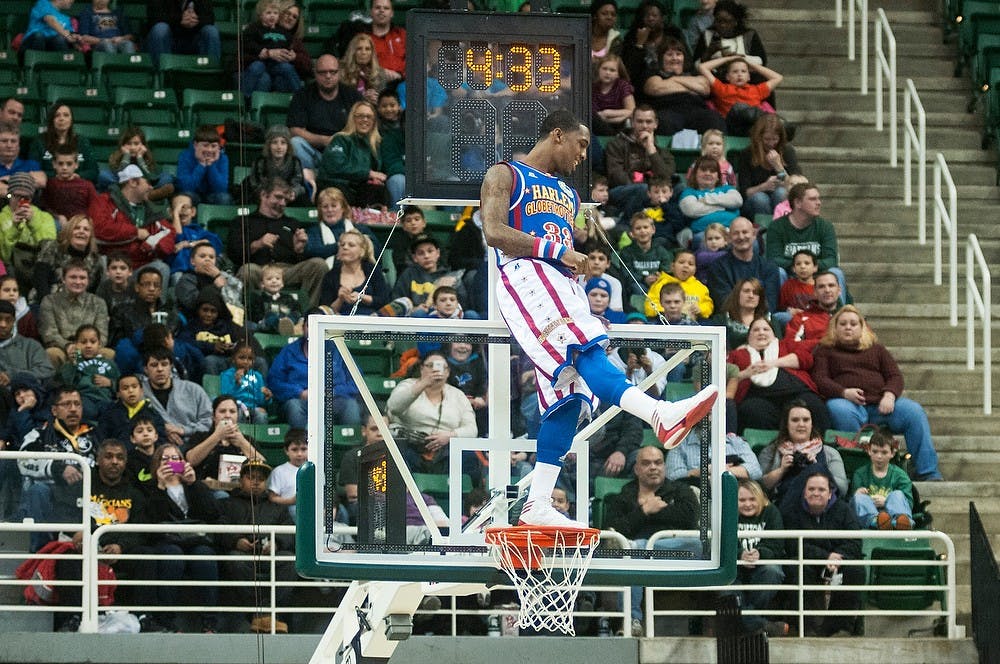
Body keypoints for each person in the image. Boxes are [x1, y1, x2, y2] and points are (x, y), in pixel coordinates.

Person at [479, 109, 717, 528]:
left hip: (561, 284)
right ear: (557, 135)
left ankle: (537, 506)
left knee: (567, 397)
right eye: (582, 144)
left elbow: (560, 248)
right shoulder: (505, 174)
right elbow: (495, 233)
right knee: (584, 352)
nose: (583, 154)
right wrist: (558, 253)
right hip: (525, 276)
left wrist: (574, 264)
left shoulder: (568, 195)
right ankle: (658, 414)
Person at [812, 305, 943, 481]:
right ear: (835, 328)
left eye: (853, 323)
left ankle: (928, 471)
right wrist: (843, 392)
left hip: (881, 405)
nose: (848, 327)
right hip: (849, 404)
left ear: (862, 327)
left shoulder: (876, 349)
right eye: (842, 324)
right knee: (837, 408)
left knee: (914, 411)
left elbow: (895, 376)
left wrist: (889, 395)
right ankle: (861, 470)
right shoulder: (825, 350)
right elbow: (820, 379)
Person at [49, 438, 148, 632]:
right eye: (108, 456)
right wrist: (78, 532)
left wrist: (121, 547)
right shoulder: (81, 486)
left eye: (120, 457)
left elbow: (141, 530)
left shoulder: (134, 493)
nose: (114, 462)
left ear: (125, 462)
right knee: (66, 560)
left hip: (120, 552)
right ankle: (72, 619)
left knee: (148, 557)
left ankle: (145, 617)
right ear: (98, 459)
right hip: (86, 549)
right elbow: (62, 514)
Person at [602, 445, 700, 636]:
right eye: (646, 463)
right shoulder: (624, 495)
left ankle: (640, 547)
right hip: (638, 560)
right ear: (637, 469)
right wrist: (644, 511)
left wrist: (654, 511)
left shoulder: (681, 490)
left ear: (665, 466)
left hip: (675, 555)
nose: (653, 467)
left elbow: (688, 519)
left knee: (697, 543)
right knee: (631, 557)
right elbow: (613, 528)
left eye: (658, 462)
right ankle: (632, 622)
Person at [144, 443, 223, 633]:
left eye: (176, 458)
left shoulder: (193, 485)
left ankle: (209, 623)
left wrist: (194, 483)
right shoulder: (149, 488)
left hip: (196, 539)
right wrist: (161, 487)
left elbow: (212, 513)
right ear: (157, 464)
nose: (171, 462)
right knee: (172, 556)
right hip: (167, 540)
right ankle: (167, 622)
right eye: (166, 459)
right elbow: (151, 520)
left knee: (205, 557)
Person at [779, 470, 862, 637]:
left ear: (830, 493)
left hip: (838, 561)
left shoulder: (844, 510)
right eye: (811, 489)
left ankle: (839, 628)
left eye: (821, 489)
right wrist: (824, 557)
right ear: (804, 491)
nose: (816, 493)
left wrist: (838, 556)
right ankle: (805, 627)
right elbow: (792, 544)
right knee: (796, 568)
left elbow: (855, 541)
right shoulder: (791, 511)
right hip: (807, 561)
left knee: (856, 570)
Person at [217, 459, 296, 634]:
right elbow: (219, 529)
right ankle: (264, 614)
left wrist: (276, 543)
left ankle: (265, 615)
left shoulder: (277, 507)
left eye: (261, 478)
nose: (256, 481)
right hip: (242, 553)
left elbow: (290, 531)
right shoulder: (227, 504)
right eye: (250, 477)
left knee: (289, 560)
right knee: (235, 560)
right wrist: (236, 541)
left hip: (271, 554)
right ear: (240, 480)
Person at [17, 386, 100, 551]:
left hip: (88, 495)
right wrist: (57, 468)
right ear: (54, 410)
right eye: (67, 404)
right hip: (53, 496)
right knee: (38, 490)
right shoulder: (39, 434)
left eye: (77, 404)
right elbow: (23, 461)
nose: (73, 409)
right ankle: (41, 553)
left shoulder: (95, 434)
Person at [227, 177, 329, 305]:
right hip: (258, 270)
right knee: (248, 270)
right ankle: (249, 317)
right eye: (278, 197)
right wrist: (257, 244)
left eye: (286, 199)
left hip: (287, 271)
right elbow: (233, 253)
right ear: (264, 195)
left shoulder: (292, 223)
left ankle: (307, 315)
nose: (282, 203)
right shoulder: (242, 222)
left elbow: (302, 261)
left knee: (319, 265)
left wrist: (299, 250)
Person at [386, 349, 480, 483]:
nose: (435, 370)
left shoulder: (457, 395)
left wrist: (450, 436)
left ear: (447, 372)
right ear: (421, 368)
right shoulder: (407, 385)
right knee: (394, 453)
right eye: (430, 366)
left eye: (441, 367)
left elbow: (472, 430)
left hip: (446, 449)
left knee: (469, 457)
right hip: (412, 447)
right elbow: (394, 406)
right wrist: (423, 383)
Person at [727, 317, 831, 433]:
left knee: (813, 405)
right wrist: (746, 373)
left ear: (774, 334)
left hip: (796, 391)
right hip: (758, 397)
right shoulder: (737, 354)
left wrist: (773, 363)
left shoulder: (786, 345)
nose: (761, 332)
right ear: (748, 336)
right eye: (756, 330)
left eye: (766, 329)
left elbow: (806, 359)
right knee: (751, 411)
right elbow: (726, 376)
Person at [267, 307, 361, 428]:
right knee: (294, 407)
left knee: (351, 406)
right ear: (303, 327)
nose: (314, 329)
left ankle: (351, 446)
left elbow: (356, 381)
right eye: (310, 325)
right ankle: (301, 445)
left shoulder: (339, 351)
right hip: (300, 401)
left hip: (334, 400)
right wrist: (299, 393)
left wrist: (333, 392)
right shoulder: (288, 351)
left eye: (319, 326)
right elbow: (274, 381)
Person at [757, 400, 848, 510]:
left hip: (823, 508)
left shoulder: (830, 453)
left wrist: (817, 468)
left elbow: (842, 489)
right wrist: (781, 470)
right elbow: (758, 488)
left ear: (811, 423)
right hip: (785, 507)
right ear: (786, 424)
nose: (801, 424)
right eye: (795, 420)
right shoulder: (770, 452)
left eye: (806, 420)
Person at [764, 182, 847, 299]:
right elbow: (773, 259)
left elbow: (831, 259)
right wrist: (799, 267)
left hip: (818, 276)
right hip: (789, 276)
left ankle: (837, 314)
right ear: (797, 203)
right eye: (813, 199)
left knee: (836, 272)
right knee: (777, 272)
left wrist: (809, 268)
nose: (819, 203)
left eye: (818, 199)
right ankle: (777, 313)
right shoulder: (777, 227)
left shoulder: (825, 226)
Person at [88, 164, 176, 273]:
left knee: (161, 268)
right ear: (133, 182)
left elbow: (169, 233)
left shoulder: (151, 209)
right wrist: (136, 232)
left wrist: (150, 242)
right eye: (148, 183)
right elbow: (100, 229)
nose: (151, 188)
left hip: (141, 267)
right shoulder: (104, 201)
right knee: (103, 262)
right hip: (113, 265)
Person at [287, 54, 364, 171]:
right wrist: (324, 141)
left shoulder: (352, 96)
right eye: (322, 72)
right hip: (314, 152)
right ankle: (311, 180)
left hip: (345, 152)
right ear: (315, 74)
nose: (328, 76)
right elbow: (294, 130)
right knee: (295, 143)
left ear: (339, 73)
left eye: (332, 72)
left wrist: (340, 142)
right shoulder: (302, 95)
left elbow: (363, 127)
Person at [731, 478, 787, 636]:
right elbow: (722, 544)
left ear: (761, 498)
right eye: (742, 500)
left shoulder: (771, 512)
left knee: (773, 571)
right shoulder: (727, 515)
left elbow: (777, 545)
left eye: (752, 499)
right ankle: (760, 625)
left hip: (762, 566)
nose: (747, 504)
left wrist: (760, 553)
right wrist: (739, 555)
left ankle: (748, 622)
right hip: (734, 568)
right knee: (725, 582)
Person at [603, 105, 676, 221]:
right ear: (632, 122)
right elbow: (616, 176)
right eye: (640, 121)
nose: (644, 126)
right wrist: (647, 191)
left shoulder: (661, 150)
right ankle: (626, 221)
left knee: (679, 189)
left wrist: (651, 150)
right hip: (621, 191)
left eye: (649, 122)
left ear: (655, 124)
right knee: (642, 189)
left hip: (653, 192)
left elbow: (665, 177)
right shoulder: (616, 145)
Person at [642, 37, 727, 136]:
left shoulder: (694, 74)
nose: (674, 58)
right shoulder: (655, 74)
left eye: (678, 54)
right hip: (668, 110)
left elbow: (705, 89)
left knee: (715, 119)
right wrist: (691, 87)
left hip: (697, 111)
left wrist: (673, 79)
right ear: (661, 58)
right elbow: (655, 88)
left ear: (684, 58)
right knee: (663, 122)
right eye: (669, 55)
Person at [37, 260, 111, 368]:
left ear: (88, 280)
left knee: (108, 353)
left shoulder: (98, 302)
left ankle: (97, 383)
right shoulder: (49, 301)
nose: (78, 281)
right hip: (61, 348)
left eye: (82, 278)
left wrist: (85, 348)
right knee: (52, 353)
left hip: (90, 347)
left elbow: (102, 335)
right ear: (63, 279)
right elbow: (49, 333)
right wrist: (68, 346)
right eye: (73, 277)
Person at [316, 100, 389, 208]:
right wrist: (368, 174)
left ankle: (372, 221)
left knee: (379, 191)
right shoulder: (340, 139)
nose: (365, 120)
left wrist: (375, 179)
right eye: (360, 116)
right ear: (352, 118)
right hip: (337, 185)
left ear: (374, 121)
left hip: (360, 188)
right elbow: (335, 167)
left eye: (369, 117)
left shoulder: (376, 144)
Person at [140, 348, 214, 448]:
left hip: (194, 445)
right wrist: (162, 429)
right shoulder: (139, 394)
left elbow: (208, 421)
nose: (160, 369)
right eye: (154, 365)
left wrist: (183, 430)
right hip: (156, 446)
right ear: (145, 369)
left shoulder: (193, 390)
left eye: (164, 364)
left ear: (171, 367)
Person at [705, 216, 780, 313]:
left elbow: (770, 303)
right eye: (736, 233)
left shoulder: (769, 267)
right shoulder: (717, 267)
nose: (741, 237)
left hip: (762, 321)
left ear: (753, 235)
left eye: (745, 232)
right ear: (729, 238)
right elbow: (723, 303)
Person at [184, 394, 264, 483]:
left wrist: (242, 443)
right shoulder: (200, 437)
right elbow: (190, 460)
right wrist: (216, 436)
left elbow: (263, 467)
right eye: (222, 411)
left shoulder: (247, 440)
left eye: (232, 411)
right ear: (213, 416)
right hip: (208, 489)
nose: (227, 415)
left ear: (237, 416)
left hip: (239, 490)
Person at [733, 114, 800, 218]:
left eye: (775, 139)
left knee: (781, 192)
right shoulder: (748, 154)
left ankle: (780, 227)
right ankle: (765, 230)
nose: (771, 143)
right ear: (759, 137)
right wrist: (764, 186)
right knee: (760, 198)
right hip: (754, 201)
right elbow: (744, 193)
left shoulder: (787, 151)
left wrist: (778, 167)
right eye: (767, 139)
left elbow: (797, 186)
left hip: (780, 196)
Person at [0, 173, 57, 294]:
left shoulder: (45, 217)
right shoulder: (1, 218)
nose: (21, 201)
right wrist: (14, 228)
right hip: (12, 268)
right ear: (9, 195)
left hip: (39, 266)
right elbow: (4, 255)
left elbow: (49, 248)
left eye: (25, 197)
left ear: (31, 198)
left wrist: (33, 223)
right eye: (16, 196)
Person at [698, 54, 783, 135]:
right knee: (739, 107)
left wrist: (751, 64)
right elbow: (702, 67)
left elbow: (778, 78)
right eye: (735, 72)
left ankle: (776, 123)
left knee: (776, 124)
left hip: (753, 128)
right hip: (733, 127)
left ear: (749, 77)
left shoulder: (757, 90)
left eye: (743, 71)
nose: (739, 74)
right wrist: (728, 59)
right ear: (727, 77)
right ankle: (769, 119)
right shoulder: (722, 88)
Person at [31, 214, 103, 304]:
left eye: (86, 229)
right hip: (45, 301)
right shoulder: (53, 247)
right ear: (69, 231)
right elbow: (40, 278)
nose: (81, 231)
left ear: (90, 235)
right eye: (77, 228)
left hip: (78, 307)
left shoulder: (95, 260)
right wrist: (48, 305)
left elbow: (92, 291)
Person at [239, 0, 303, 101]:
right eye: (268, 13)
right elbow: (247, 43)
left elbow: (289, 45)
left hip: (277, 64)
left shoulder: (283, 31)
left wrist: (289, 53)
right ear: (260, 15)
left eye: (275, 13)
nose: (272, 16)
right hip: (262, 62)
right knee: (256, 67)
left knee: (287, 67)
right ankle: (243, 99)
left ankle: (301, 97)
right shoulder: (254, 28)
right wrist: (264, 51)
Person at [318, 228, 390, 315]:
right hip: (341, 320)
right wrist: (340, 299)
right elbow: (325, 310)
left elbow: (384, 301)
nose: (345, 247)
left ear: (362, 251)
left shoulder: (373, 271)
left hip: (371, 319)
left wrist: (362, 297)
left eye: (351, 245)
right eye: (342, 245)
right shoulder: (331, 275)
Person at [304, 186, 381, 268]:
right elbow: (312, 252)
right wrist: (342, 245)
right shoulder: (313, 232)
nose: (329, 210)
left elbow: (376, 252)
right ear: (320, 210)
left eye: (334, 206)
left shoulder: (361, 229)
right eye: (325, 207)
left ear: (343, 208)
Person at [851, 430, 914, 530]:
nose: (879, 456)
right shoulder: (860, 474)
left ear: (892, 453)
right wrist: (857, 493)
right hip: (870, 516)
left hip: (893, 513)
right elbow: (855, 504)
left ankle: (899, 523)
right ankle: (878, 522)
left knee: (897, 494)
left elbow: (908, 503)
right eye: (875, 451)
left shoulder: (900, 475)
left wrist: (887, 502)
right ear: (869, 451)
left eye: (884, 452)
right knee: (859, 497)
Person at [56, 323, 119, 421]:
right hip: (84, 399)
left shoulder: (109, 363)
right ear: (76, 344)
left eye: (93, 342)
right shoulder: (73, 363)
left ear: (99, 344)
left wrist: (111, 383)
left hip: (105, 400)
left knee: (114, 414)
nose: (88, 345)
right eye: (83, 342)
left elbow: (122, 385)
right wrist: (73, 363)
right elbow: (65, 383)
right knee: (89, 412)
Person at [240, 125, 312, 206]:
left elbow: (298, 184)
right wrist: (270, 194)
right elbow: (255, 184)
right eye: (274, 142)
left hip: (288, 197)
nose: (279, 147)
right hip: (265, 197)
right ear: (268, 145)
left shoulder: (295, 162)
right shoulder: (260, 161)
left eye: (283, 143)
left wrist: (293, 192)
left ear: (288, 146)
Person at [28, 104, 99, 183]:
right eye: (57, 115)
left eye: (66, 115)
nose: (61, 119)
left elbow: (93, 171)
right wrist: (57, 176)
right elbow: (33, 171)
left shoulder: (82, 141)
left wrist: (77, 176)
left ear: (71, 119)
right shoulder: (39, 141)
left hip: (77, 185)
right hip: (48, 186)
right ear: (52, 119)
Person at [172, 240, 243, 321]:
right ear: (192, 261)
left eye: (211, 257)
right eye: (202, 256)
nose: (207, 260)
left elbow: (236, 298)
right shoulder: (186, 280)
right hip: (194, 322)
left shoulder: (221, 276)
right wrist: (216, 287)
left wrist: (220, 278)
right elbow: (193, 304)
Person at [677, 155, 742, 241]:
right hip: (703, 233)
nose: (708, 173)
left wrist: (707, 199)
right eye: (703, 170)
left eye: (712, 171)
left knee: (753, 243)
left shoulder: (727, 189)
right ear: (695, 174)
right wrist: (724, 206)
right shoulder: (688, 192)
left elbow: (738, 201)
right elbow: (692, 210)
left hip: (732, 231)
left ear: (718, 176)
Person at [99, 372, 169, 446]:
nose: (130, 391)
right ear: (118, 394)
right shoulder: (110, 414)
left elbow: (161, 439)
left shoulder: (152, 413)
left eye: (134, 386)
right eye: (125, 388)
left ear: (141, 391)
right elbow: (102, 438)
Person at [145, 0, 221, 67]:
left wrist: (194, 19)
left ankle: (210, 76)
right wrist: (180, 19)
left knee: (211, 31)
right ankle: (160, 77)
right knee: (160, 29)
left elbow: (210, 17)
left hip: (194, 40)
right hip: (169, 40)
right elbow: (154, 17)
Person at [667, 430, 762, 483]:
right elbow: (673, 476)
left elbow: (756, 470)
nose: (710, 419)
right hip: (697, 492)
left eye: (713, 413)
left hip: (735, 492)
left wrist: (722, 470)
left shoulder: (736, 442)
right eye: (706, 414)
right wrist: (703, 471)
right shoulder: (680, 445)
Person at [616, 212, 673, 300]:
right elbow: (627, 274)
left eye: (645, 227)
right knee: (637, 287)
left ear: (653, 229)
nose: (642, 231)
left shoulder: (661, 251)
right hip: (637, 286)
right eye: (638, 228)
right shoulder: (626, 252)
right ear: (632, 233)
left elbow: (667, 270)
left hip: (657, 284)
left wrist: (659, 276)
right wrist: (644, 279)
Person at [102, 127, 172, 198]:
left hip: (144, 185)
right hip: (123, 185)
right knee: (104, 175)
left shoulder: (148, 157)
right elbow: (119, 176)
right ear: (122, 145)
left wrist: (140, 158)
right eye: (129, 144)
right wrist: (126, 156)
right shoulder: (116, 157)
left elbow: (152, 178)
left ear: (143, 145)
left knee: (166, 177)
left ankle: (149, 195)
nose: (132, 147)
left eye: (136, 143)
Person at [39, 146, 100, 225]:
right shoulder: (50, 184)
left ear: (76, 164)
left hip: (81, 224)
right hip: (58, 224)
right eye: (60, 164)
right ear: (54, 164)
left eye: (69, 164)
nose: (64, 168)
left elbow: (95, 209)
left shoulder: (86, 185)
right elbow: (45, 208)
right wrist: (57, 217)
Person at [645, 250, 712, 320]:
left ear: (695, 269)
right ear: (672, 266)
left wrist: (700, 309)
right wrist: (666, 311)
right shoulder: (660, 284)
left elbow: (708, 305)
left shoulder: (700, 287)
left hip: (693, 324)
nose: (686, 266)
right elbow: (650, 305)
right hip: (666, 322)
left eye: (691, 264)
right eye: (681, 262)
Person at [784, 271, 844, 351]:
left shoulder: (852, 317)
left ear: (839, 290)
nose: (827, 290)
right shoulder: (800, 319)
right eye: (821, 287)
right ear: (815, 292)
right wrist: (824, 343)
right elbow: (790, 346)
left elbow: (865, 340)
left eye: (831, 285)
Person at [0, 300, 54, 383]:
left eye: (8, 320)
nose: (3, 324)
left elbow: (46, 370)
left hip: (24, 392)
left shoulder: (31, 345)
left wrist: (12, 375)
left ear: (14, 321)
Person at [175, 125, 231, 205]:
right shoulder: (185, 156)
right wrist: (201, 165)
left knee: (224, 198)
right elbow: (186, 187)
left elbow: (221, 189)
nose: (209, 150)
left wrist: (211, 165)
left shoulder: (223, 159)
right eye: (205, 145)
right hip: (193, 194)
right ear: (195, 145)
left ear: (218, 147)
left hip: (212, 195)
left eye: (213, 146)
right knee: (186, 196)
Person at [219, 342, 271, 424]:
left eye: (250, 358)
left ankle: (258, 437)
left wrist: (267, 398)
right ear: (233, 359)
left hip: (254, 408)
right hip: (237, 407)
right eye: (242, 358)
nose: (246, 362)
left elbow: (260, 401)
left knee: (261, 414)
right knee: (237, 413)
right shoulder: (227, 375)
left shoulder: (258, 376)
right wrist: (236, 383)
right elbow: (225, 396)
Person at [710, 277, 768, 350]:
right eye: (746, 291)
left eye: (755, 293)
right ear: (737, 295)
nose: (751, 296)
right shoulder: (721, 320)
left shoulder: (770, 320)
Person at [247, 263, 304, 335]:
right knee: (270, 316)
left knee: (295, 314)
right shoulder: (259, 299)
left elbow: (297, 310)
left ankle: (287, 327)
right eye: (269, 279)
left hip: (286, 321)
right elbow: (255, 314)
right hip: (267, 325)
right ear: (262, 284)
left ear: (282, 283)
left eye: (278, 278)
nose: (274, 281)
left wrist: (292, 318)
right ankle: (279, 327)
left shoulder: (288, 298)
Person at [267, 428, 306, 522]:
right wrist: (291, 501)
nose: (299, 454)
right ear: (286, 451)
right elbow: (272, 498)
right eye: (295, 450)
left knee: (339, 510)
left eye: (304, 449)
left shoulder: (317, 470)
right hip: (290, 508)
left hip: (315, 506)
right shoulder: (279, 471)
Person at [592, 54, 635, 136]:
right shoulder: (593, 87)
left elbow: (632, 111)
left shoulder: (623, 86)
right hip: (597, 125)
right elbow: (595, 115)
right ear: (598, 70)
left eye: (612, 70)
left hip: (619, 127)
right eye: (604, 69)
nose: (607, 73)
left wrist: (607, 113)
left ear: (618, 73)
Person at [341, 32, 389, 106]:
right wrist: (362, 98)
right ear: (353, 51)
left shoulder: (380, 73)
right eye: (359, 49)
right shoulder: (342, 72)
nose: (363, 52)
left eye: (367, 49)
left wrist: (377, 100)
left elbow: (384, 102)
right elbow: (342, 101)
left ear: (372, 52)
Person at [0, 122, 46, 198]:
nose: (9, 145)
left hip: (28, 207)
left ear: (18, 145)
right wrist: (26, 180)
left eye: (13, 141)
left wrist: (8, 179)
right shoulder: (29, 169)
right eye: (4, 141)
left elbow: (41, 181)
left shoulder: (30, 164)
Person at [367, 0, 405, 80]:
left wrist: (401, 75)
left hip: (402, 81)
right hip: (373, 82)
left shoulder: (402, 35)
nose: (382, 10)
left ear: (392, 13)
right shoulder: (364, 38)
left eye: (386, 8)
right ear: (371, 12)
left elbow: (414, 60)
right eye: (377, 7)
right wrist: (380, 72)